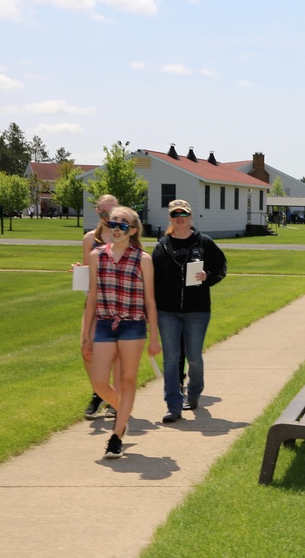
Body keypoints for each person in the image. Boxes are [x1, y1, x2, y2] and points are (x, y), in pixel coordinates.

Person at [81, 206, 161, 459]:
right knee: (99, 382)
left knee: (127, 380)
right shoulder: (96, 256)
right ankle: (123, 414)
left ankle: (116, 436)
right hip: (105, 323)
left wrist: (155, 338)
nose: (116, 229)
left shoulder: (143, 259)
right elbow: (92, 298)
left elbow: (150, 302)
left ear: (133, 230)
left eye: (123, 225)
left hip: (133, 324)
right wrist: (86, 335)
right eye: (112, 223)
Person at [151, 200, 227, 424]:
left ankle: (193, 395)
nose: (180, 217)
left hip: (197, 310)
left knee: (193, 357)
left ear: (190, 216)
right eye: (175, 214)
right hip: (167, 312)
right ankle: (173, 405)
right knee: (171, 359)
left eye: (183, 213)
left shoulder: (204, 242)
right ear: (170, 218)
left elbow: (221, 267)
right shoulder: (162, 246)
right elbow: (153, 279)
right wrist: (151, 310)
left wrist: (208, 276)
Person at [79, 194, 120, 420]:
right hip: (94, 302)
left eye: (111, 212)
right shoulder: (89, 239)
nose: (107, 217)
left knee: (115, 353)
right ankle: (98, 392)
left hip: (117, 301)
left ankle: (114, 397)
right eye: (103, 213)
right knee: (86, 349)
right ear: (97, 213)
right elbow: (87, 272)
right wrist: (79, 270)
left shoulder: (123, 235)